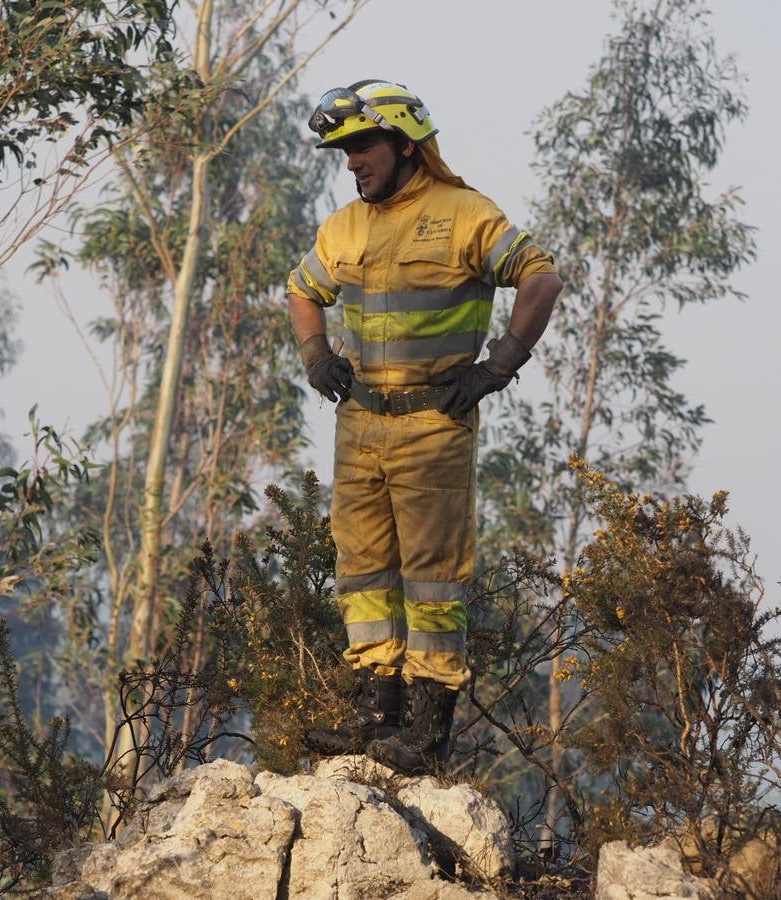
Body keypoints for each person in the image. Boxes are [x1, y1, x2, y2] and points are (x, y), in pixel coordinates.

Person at [287, 80, 563, 775]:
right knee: (361, 568)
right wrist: (316, 355)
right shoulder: (344, 225)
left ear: (405, 143)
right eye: (343, 151)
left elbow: (540, 279)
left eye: (362, 146)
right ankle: (373, 714)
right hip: (359, 428)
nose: (352, 162)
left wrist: (497, 366)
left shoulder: (463, 213)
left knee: (433, 579)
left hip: (434, 426)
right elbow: (302, 289)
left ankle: (426, 730)